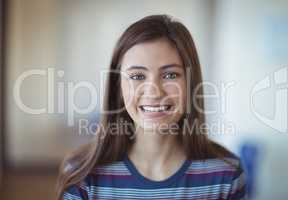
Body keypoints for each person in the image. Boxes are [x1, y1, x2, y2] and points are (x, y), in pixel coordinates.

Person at [56, 14, 247, 200]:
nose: (154, 92)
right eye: (138, 76)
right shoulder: (82, 176)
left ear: (191, 83)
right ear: (118, 87)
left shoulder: (226, 175)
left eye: (170, 75)